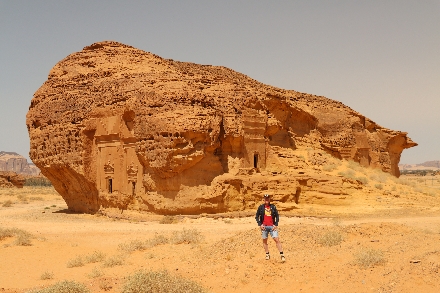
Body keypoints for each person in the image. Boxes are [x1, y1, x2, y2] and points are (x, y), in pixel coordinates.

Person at [255, 194, 285, 262]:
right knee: (264, 240)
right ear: (264, 199)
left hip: (272, 227)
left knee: (277, 240)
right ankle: (267, 254)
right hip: (264, 227)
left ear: (269, 199)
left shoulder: (273, 207)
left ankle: (282, 255)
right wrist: (260, 224)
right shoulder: (261, 207)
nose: (266, 200)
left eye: (268, 198)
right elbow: (257, 216)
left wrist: (276, 224)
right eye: (265, 199)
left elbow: (277, 216)